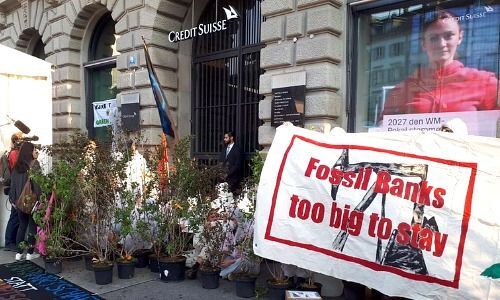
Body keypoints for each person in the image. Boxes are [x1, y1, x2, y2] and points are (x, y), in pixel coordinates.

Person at [380, 10, 498, 118]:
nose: (441, 44)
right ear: (423, 44)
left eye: (448, 36)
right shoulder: (404, 89)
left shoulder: (485, 83)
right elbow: (384, 129)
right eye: (433, 38)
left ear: (460, 37)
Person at [9, 142, 41, 261]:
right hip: (31, 202)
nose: (35, 152)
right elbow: (37, 185)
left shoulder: (17, 166)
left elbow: (13, 185)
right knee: (32, 226)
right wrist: (40, 200)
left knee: (22, 226)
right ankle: (30, 253)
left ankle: (19, 253)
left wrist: (13, 200)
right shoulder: (34, 164)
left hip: (18, 202)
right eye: (34, 150)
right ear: (29, 152)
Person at [2, 132, 23, 251]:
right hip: (15, 189)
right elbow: (17, 171)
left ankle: (12, 241)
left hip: (15, 188)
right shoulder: (14, 154)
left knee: (16, 215)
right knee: (15, 216)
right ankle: (9, 242)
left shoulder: (14, 152)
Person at [219, 131, 243, 195]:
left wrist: (228, 174)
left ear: (231, 138)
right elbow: (221, 162)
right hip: (223, 179)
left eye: (226, 138)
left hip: (233, 179)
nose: (224, 139)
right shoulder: (224, 149)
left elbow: (237, 164)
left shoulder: (237, 149)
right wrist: (222, 174)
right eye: (224, 138)